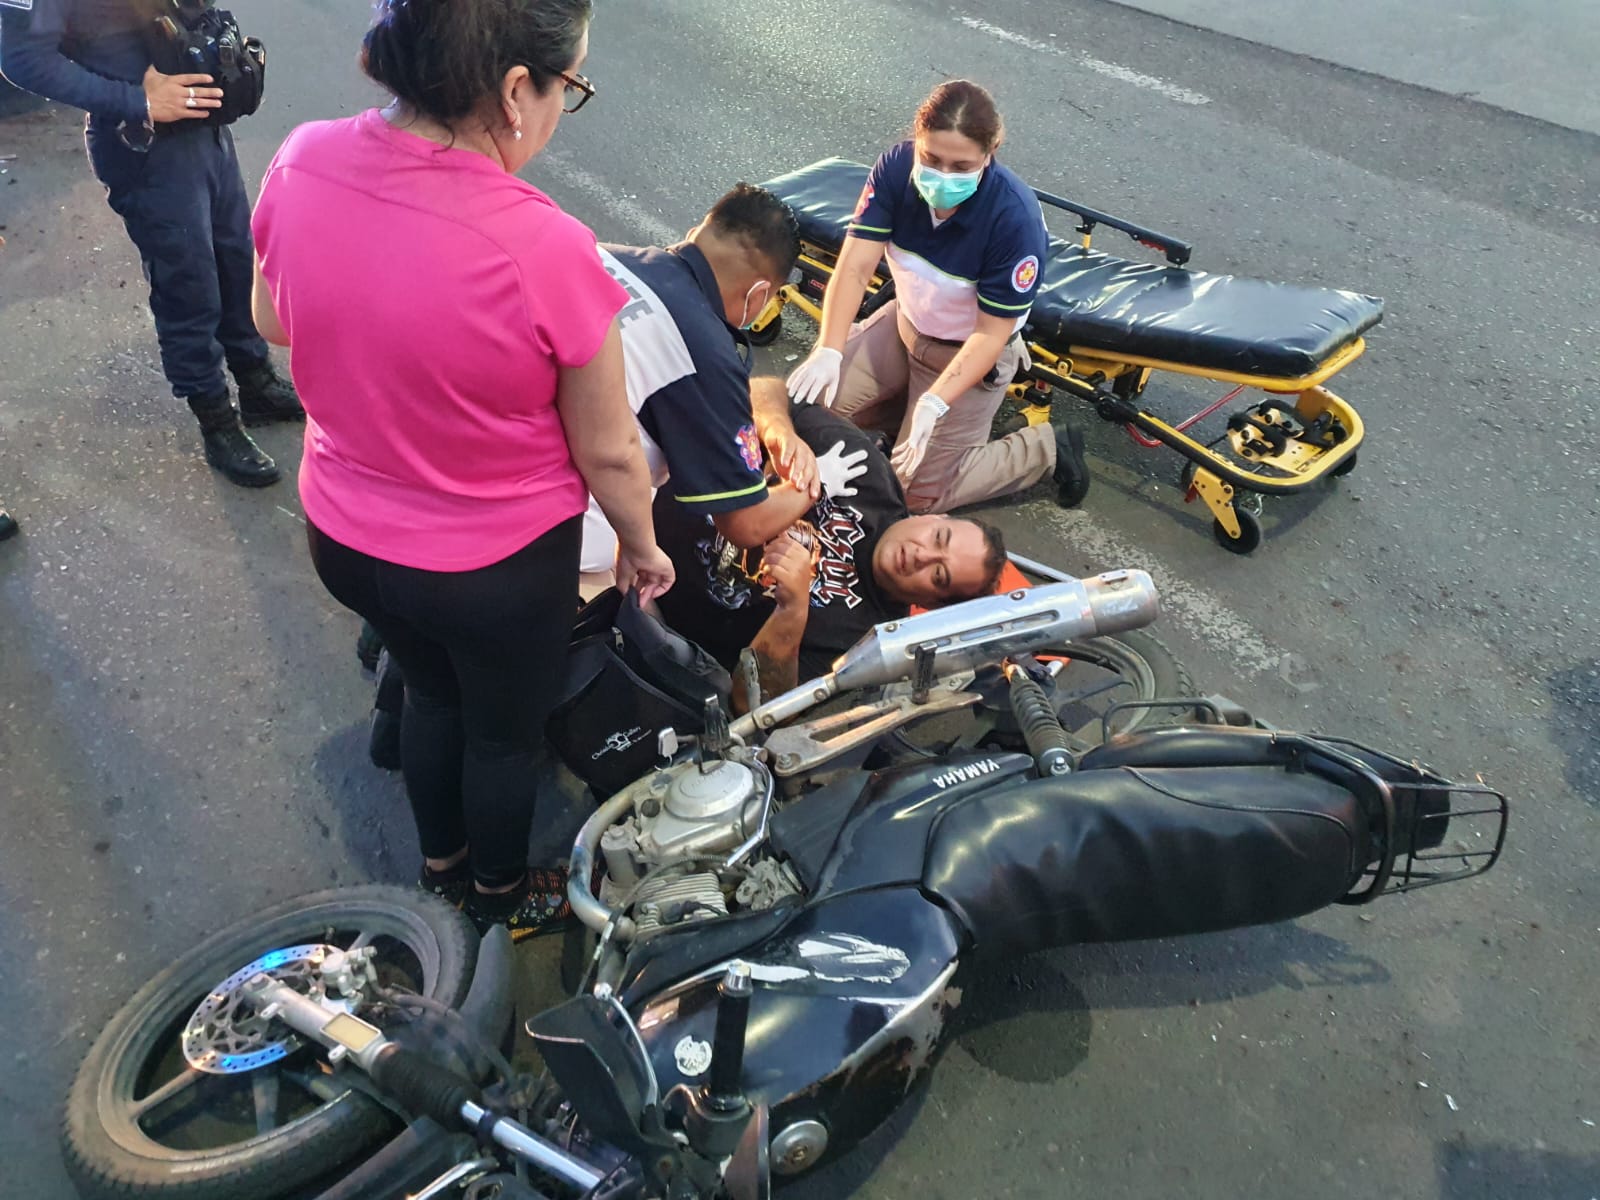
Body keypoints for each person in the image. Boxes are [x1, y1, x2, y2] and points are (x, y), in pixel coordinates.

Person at [250, 0, 673, 940]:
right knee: (501, 736)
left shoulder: (303, 156)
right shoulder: (544, 244)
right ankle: (496, 894)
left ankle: (438, 872)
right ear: (518, 89)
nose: (567, 103)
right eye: (573, 84)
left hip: (346, 535)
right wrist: (642, 546)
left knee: (429, 688)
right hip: (494, 568)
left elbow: (275, 321)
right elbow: (607, 450)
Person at [0, 0, 303, 487]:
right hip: (142, 141)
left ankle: (256, 382)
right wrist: (136, 101)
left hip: (202, 128)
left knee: (233, 260)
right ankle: (216, 419)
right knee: (189, 286)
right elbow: (21, 58)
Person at [786, 79, 1090, 514]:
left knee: (912, 497)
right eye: (931, 158)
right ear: (917, 139)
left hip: (967, 353)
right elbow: (855, 267)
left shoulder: (1012, 218)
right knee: (803, 414)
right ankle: (901, 411)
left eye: (961, 166)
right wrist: (828, 348)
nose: (942, 176)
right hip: (905, 326)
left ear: (991, 153)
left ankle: (1045, 449)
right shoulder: (895, 167)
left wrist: (934, 402)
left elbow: (989, 335)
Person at [654, 401, 1007, 703]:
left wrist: (791, 612)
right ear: (935, 516)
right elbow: (761, 390)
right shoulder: (865, 471)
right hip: (651, 483)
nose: (923, 555)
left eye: (939, 575)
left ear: (930, 606)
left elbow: (753, 707)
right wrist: (782, 435)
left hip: (648, 607)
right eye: (939, 538)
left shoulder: (864, 646)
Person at [580, 184, 818, 595]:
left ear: (697, 232)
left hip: (467, 450)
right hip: (556, 527)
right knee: (621, 606)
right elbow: (746, 523)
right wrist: (809, 484)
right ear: (760, 293)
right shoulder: (705, 354)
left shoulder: (603, 254)